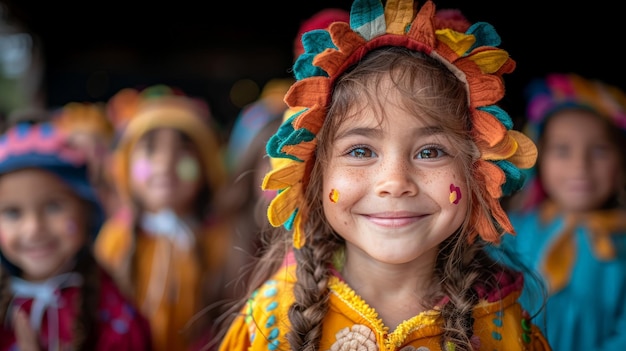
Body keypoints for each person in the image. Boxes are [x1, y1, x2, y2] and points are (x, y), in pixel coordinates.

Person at [216, 0, 551, 350]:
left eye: (430, 152)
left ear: (476, 171)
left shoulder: (508, 332)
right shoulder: (268, 320)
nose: (395, 182)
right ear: (315, 176)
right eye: (360, 151)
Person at [216, 7, 350, 305]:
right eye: (271, 160)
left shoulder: (345, 256)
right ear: (246, 170)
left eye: (298, 158)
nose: (285, 173)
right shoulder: (221, 248)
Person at [491, 73, 626, 350]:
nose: (580, 167)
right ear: (539, 159)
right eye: (562, 150)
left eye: (599, 150)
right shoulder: (510, 230)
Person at [93, 85, 233, 351]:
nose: (165, 164)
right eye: (150, 150)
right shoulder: (116, 238)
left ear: (206, 167)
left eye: (183, 151)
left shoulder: (221, 240)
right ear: (125, 166)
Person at [0, 122, 152, 350]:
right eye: (13, 213)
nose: (33, 228)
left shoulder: (113, 314)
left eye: (53, 207)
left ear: (87, 212)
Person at [50, 101, 120, 218]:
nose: (86, 157)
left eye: (96, 150)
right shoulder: (60, 196)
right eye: (77, 150)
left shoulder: (121, 197)